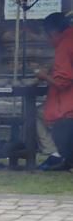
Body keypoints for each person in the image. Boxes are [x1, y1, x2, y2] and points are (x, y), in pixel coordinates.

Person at [36, 13, 73, 171]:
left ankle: (55, 153)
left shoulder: (64, 45)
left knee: (37, 113)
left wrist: (44, 76)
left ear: (52, 32)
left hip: (68, 103)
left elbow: (62, 83)